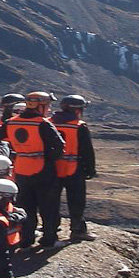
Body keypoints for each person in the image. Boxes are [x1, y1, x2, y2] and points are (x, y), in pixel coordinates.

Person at [0, 92, 65, 250]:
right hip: (43, 169)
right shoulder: (42, 123)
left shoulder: (11, 122)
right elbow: (59, 146)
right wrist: (48, 158)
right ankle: (49, 240)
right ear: (41, 106)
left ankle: (26, 240)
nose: (49, 108)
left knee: (25, 205)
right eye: (48, 105)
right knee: (48, 206)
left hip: (21, 168)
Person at [52, 95, 98, 242]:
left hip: (52, 169)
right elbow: (87, 151)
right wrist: (90, 170)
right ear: (77, 110)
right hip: (74, 169)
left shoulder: (48, 122)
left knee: (51, 201)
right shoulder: (79, 126)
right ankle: (77, 230)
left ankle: (51, 230)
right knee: (77, 201)